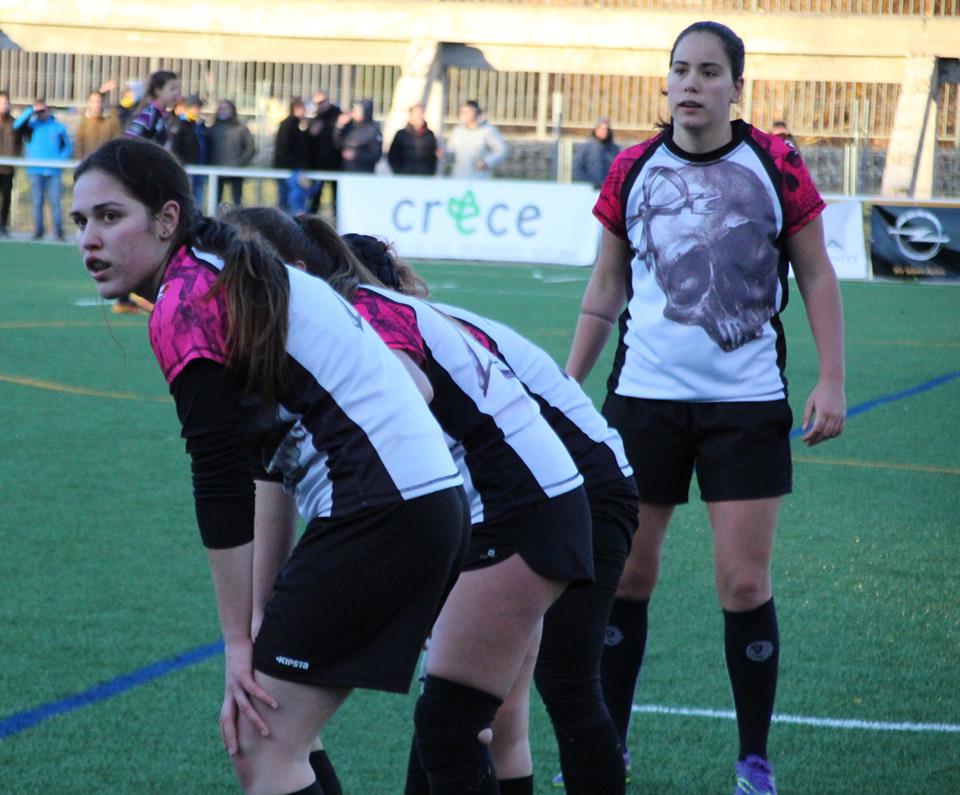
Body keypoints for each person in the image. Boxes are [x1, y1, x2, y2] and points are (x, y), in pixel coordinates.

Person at [71, 137, 472, 795]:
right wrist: (257, 617)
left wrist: (237, 642)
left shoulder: (187, 297)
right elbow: (264, 464)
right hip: (424, 504)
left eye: (110, 217)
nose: (89, 239)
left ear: (167, 219)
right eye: (81, 221)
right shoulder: (231, 269)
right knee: (286, 737)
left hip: (382, 510)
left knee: (260, 744)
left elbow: (219, 473)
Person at [223, 208, 594, 795]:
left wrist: (407, 560)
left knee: (454, 727)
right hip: (503, 505)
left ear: (295, 273)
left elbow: (410, 393)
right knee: (466, 725)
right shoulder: (288, 335)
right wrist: (259, 612)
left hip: (511, 506)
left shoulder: (352, 315)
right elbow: (269, 473)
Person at [565, 21, 846, 795]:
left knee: (743, 584)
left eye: (709, 71)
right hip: (642, 403)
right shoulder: (632, 167)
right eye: (681, 69)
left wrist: (831, 379)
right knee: (626, 577)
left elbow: (817, 276)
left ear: (736, 87)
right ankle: (609, 748)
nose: (691, 83)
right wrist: (567, 382)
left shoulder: (776, 163)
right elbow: (606, 287)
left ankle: (754, 760)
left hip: (745, 406)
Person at [342, 233, 640, 795]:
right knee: (489, 706)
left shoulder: (389, 332)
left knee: (547, 685)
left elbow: (425, 469)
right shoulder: (425, 321)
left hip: (576, 491)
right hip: (557, 488)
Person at [13, 99, 72, 241]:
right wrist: (31, 110)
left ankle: (58, 232)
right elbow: (16, 125)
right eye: (39, 111)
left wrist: (60, 161)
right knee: (37, 202)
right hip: (35, 171)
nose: (41, 113)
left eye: (43, 110)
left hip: (53, 172)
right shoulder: (31, 126)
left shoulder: (58, 127)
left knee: (55, 203)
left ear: (49, 110)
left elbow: (67, 147)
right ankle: (38, 231)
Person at [209, 99, 256, 207]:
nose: (223, 111)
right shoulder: (212, 129)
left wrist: (240, 163)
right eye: (221, 108)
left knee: (237, 202)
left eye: (226, 108)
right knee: (215, 201)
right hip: (216, 170)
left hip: (236, 170)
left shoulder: (241, 128)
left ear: (232, 110)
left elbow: (250, 148)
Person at [444, 100, 507, 180]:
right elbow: (452, 154)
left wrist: (486, 162)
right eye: (462, 112)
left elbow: (501, 151)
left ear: (474, 112)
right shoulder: (457, 131)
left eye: (466, 112)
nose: (463, 115)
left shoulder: (488, 130)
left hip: (479, 179)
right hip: (458, 178)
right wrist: (444, 154)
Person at [169, 94, 210, 207]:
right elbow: (174, 147)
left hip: (200, 167)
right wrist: (182, 162)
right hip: (187, 167)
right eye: (195, 107)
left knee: (198, 197)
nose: (198, 110)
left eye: (199, 107)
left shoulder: (200, 126)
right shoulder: (180, 124)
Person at [306, 90, 342, 216]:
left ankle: (337, 218)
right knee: (315, 196)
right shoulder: (315, 119)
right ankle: (311, 219)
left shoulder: (338, 116)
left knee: (336, 196)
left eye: (321, 102)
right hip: (318, 164)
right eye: (316, 103)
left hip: (335, 163)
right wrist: (311, 134)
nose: (319, 105)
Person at [273, 97, 311, 212]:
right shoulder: (290, 124)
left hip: (288, 167)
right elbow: (288, 147)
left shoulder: (294, 124)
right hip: (290, 169)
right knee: (291, 199)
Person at [124, 70, 180, 145]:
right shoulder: (148, 114)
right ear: (158, 91)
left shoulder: (165, 116)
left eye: (178, 89)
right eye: (172, 89)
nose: (176, 93)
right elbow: (128, 141)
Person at [388, 104, 440, 176]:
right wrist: (399, 171)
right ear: (411, 116)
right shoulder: (401, 134)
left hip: (425, 175)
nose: (420, 116)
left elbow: (434, 156)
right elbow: (393, 155)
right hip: (404, 175)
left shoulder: (430, 134)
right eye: (417, 113)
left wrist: (430, 171)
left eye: (422, 113)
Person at [73, 87, 123, 160]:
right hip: (89, 161)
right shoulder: (84, 120)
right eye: (92, 101)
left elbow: (117, 139)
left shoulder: (111, 119)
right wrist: (80, 159)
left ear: (102, 103)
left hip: (107, 160)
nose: (96, 104)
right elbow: (79, 142)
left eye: (98, 101)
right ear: (89, 103)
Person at [333, 99, 382, 174]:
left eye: (356, 111)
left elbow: (376, 155)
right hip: (345, 172)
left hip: (363, 173)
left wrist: (356, 155)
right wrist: (339, 126)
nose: (353, 113)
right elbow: (337, 145)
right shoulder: (348, 127)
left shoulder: (373, 130)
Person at [572, 116, 620, 190]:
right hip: (590, 190)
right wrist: (591, 183)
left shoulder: (614, 149)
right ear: (595, 130)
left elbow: (619, 170)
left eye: (607, 129)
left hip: (609, 190)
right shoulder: (586, 147)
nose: (605, 131)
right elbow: (577, 169)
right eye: (602, 129)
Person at [0, 90, 19, 238]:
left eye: (5, 102)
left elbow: (19, 143)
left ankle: (3, 225)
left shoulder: (13, 122)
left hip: (7, 168)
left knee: (6, 198)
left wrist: (15, 156)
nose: (3, 105)